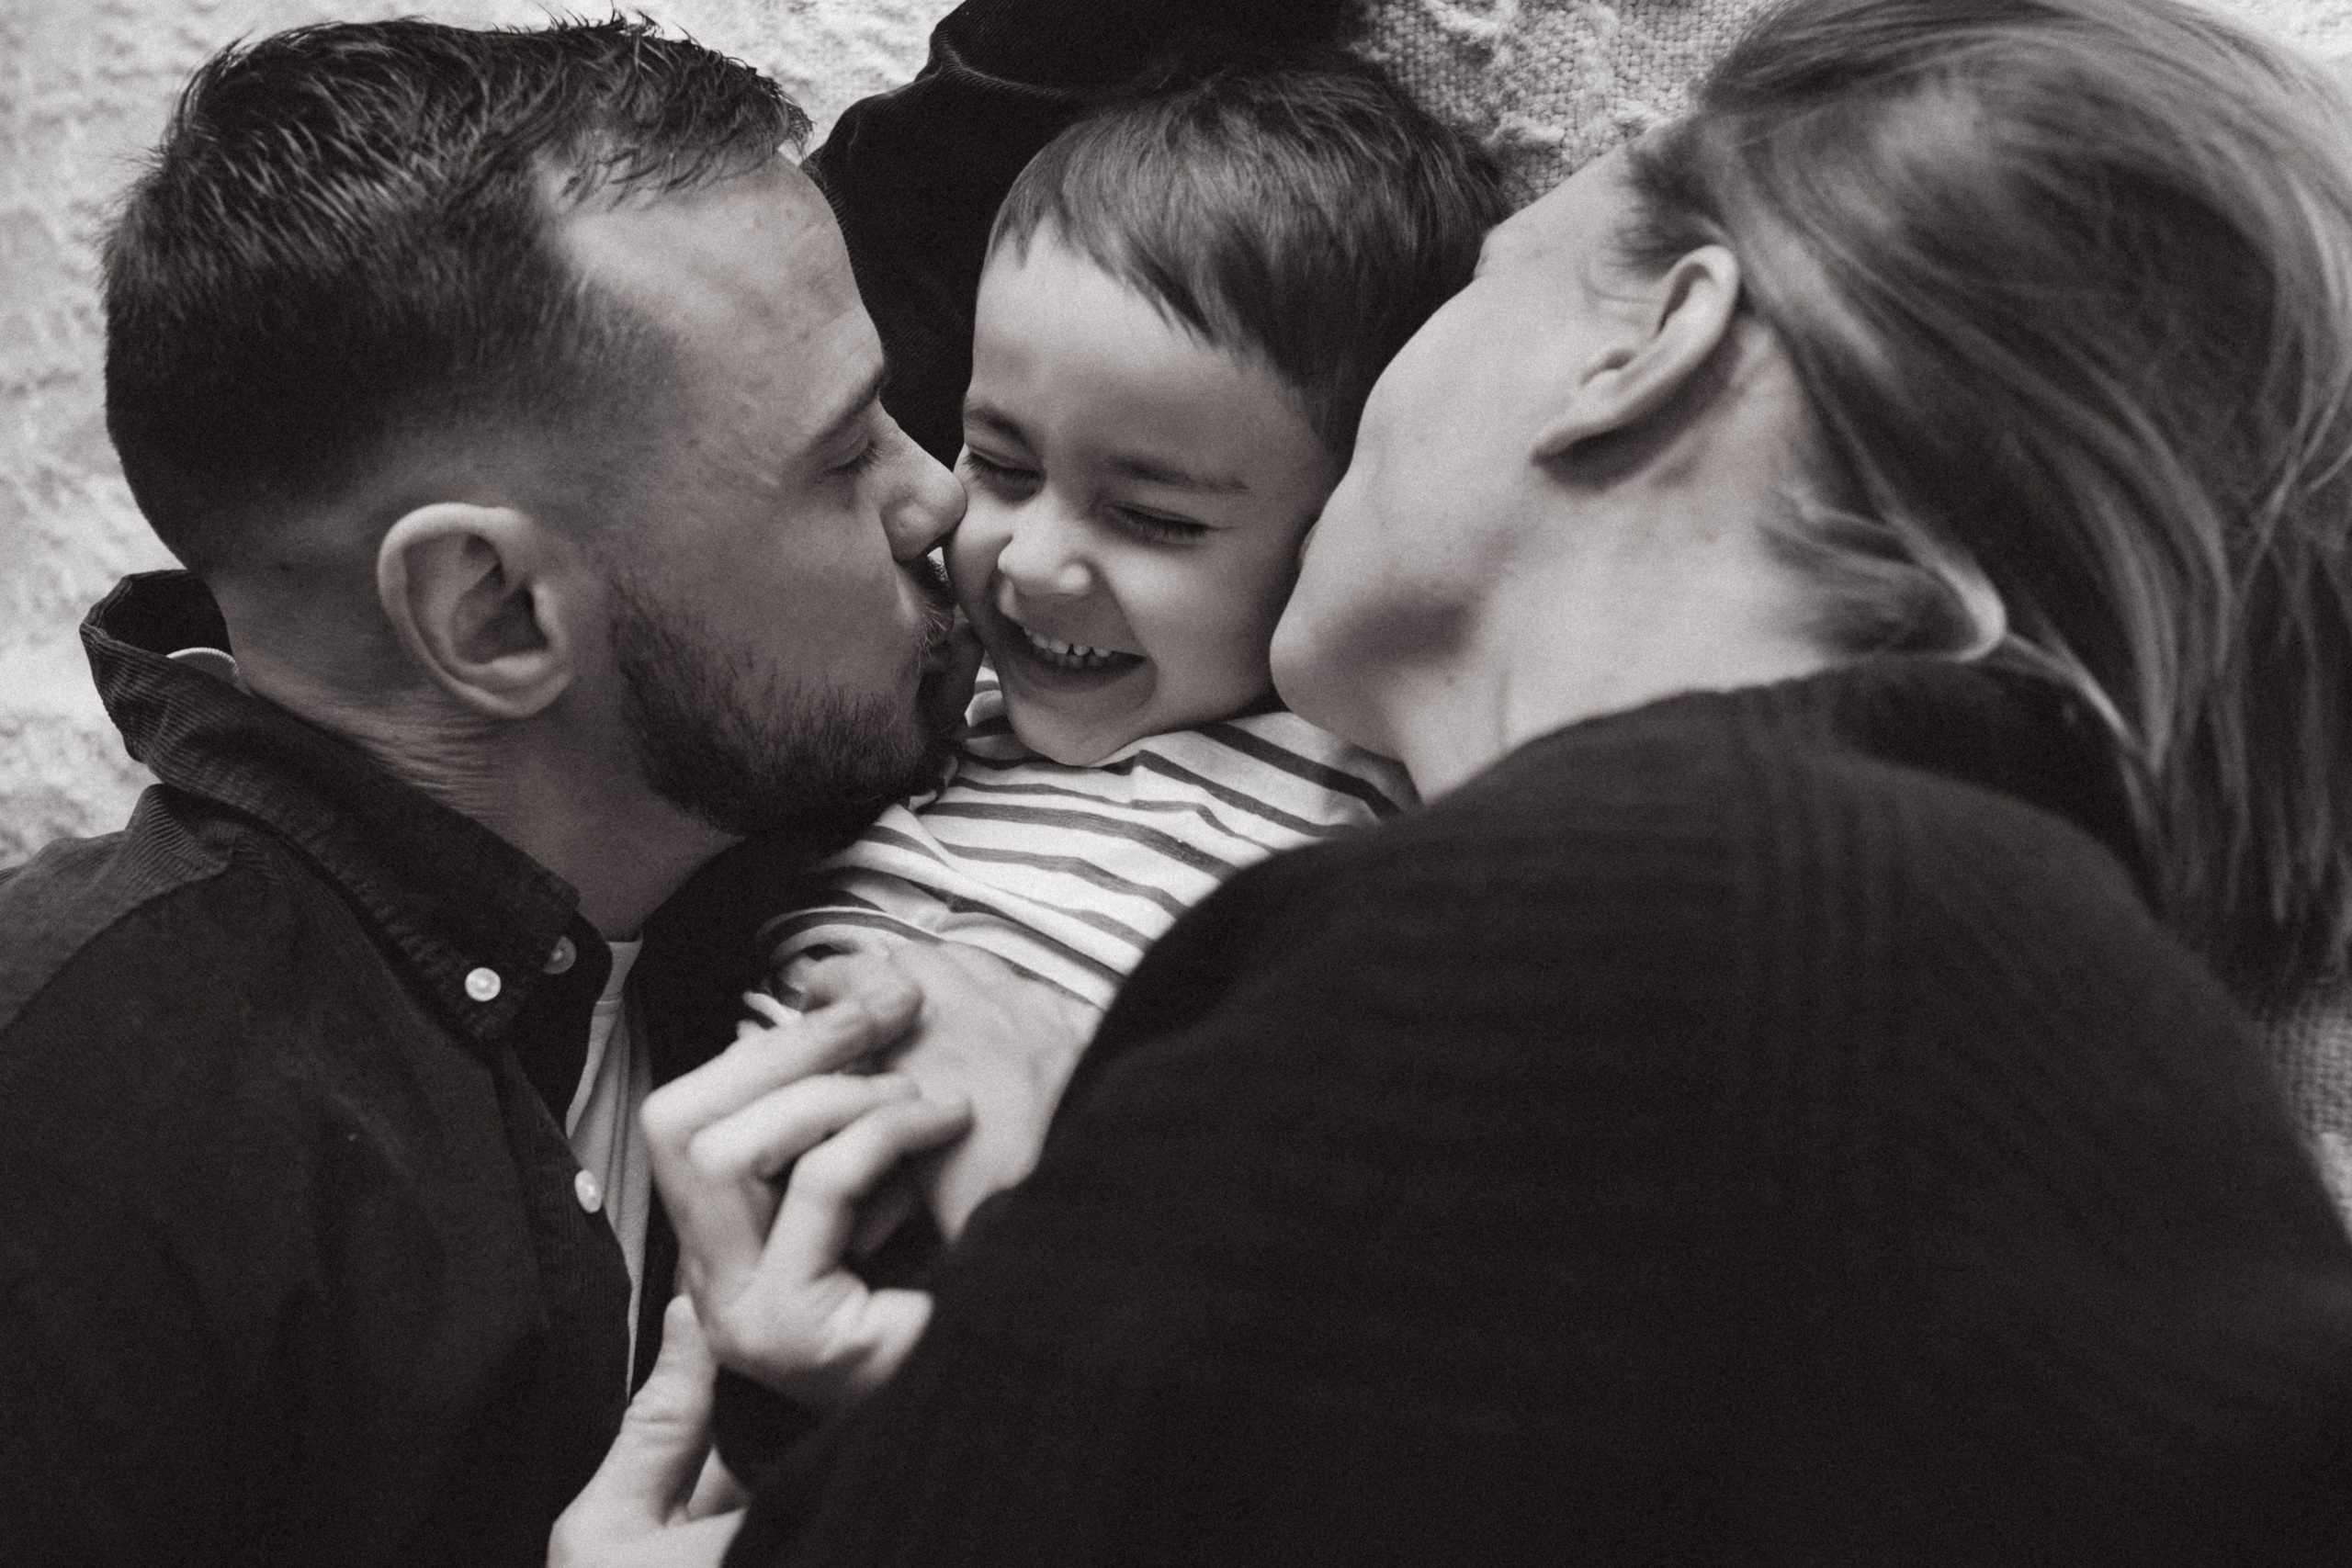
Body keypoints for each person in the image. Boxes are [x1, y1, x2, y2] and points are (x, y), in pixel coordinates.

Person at [583, 0, 2352, 1562]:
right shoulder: (1907, 966)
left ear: (1643, 343)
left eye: (1488, 280)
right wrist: (1099, 1246)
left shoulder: (1670, 898)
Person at [0, 17, 981, 1566]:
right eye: (847, 452)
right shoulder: (72, 1127)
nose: (940, 495)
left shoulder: (737, 800)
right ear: (494, 615)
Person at [750, 62, 1505, 1240]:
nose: (1033, 564)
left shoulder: (1372, 781)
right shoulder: (926, 692)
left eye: (1155, 518)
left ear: (1360, 515)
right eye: (998, 463)